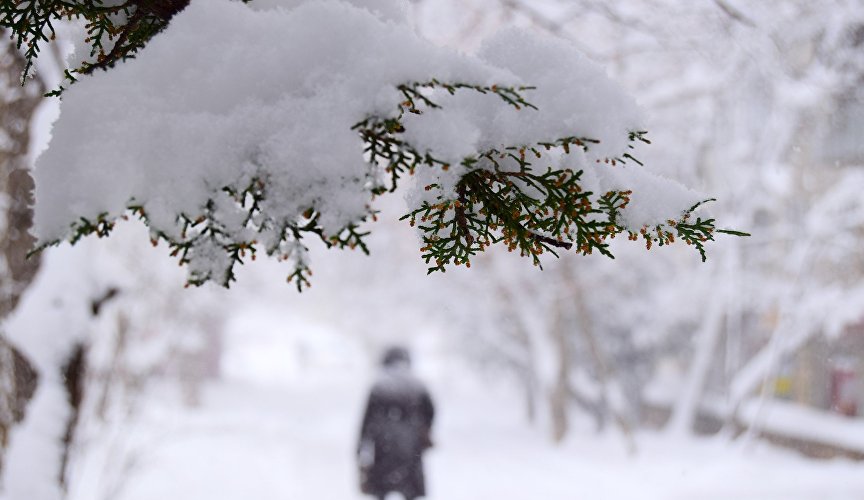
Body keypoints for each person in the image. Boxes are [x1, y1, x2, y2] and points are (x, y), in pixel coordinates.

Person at [357, 346, 435, 500]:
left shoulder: (379, 386)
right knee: (410, 490)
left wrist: (361, 447)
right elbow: (430, 411)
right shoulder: (418, 384)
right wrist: (424, 431)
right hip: (411, 444)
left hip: (383, 444)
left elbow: (367, 420)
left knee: (382, 489)